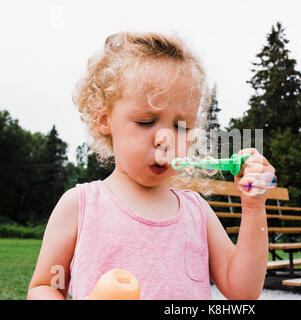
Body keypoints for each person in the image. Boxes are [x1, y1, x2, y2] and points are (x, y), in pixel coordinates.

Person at [27, 32, 275, 300]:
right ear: (103, 118)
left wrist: (253, 208)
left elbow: (244, 292)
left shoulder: (197, 213)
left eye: (181, 126)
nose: (165, 140)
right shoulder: (81, 205)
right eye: (146, 122)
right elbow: (46, 286)